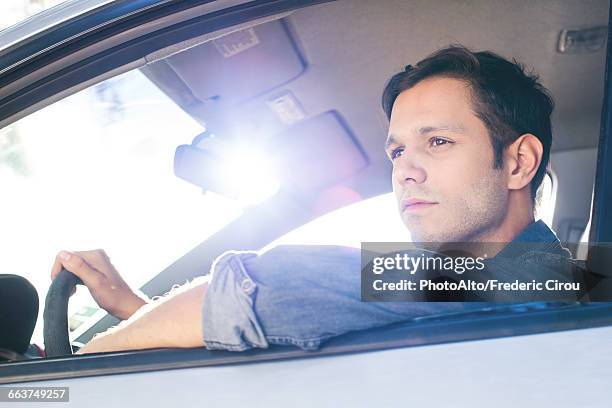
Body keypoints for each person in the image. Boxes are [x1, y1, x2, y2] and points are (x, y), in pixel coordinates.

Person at [50, 45, 583, 355]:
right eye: (397, 150)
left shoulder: (536, 282)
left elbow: (274, 285)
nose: (406, 171)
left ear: (518, 162)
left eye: (438, 142)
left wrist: (70, 375)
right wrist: (133, 310)